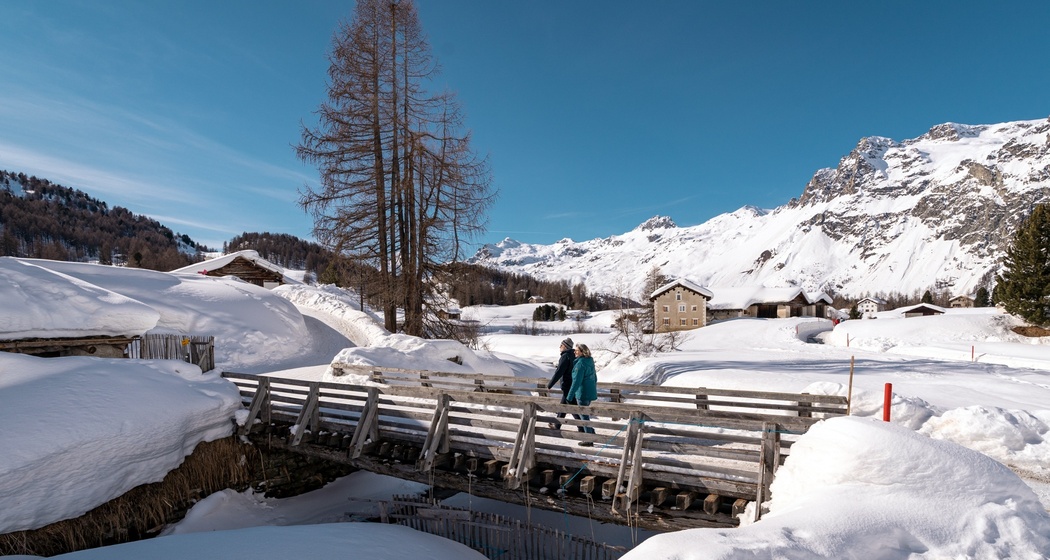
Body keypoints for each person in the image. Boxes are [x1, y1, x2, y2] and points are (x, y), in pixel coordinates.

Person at [568, 343, 598, 446]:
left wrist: (569, 396)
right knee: (584, 415)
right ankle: (590, 432)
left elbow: (576, 381)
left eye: (577, 350)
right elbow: (595, 377)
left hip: (582, 393)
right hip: (589, 392)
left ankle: (588, 439)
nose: (575, 352)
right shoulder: (589, 361)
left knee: (584, 416)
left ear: (582, 352)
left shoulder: (580, 364)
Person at [546, 338, 575, 430]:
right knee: (563, 405)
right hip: (572, 384)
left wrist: (550, 384)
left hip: (567, 385)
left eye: (561, 345)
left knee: (573, 408)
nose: (560, 347)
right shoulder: (574, 355)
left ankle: (583, 427)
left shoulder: (565, 356)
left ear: (565, 346)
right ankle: (557, 424)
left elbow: (559, 372)